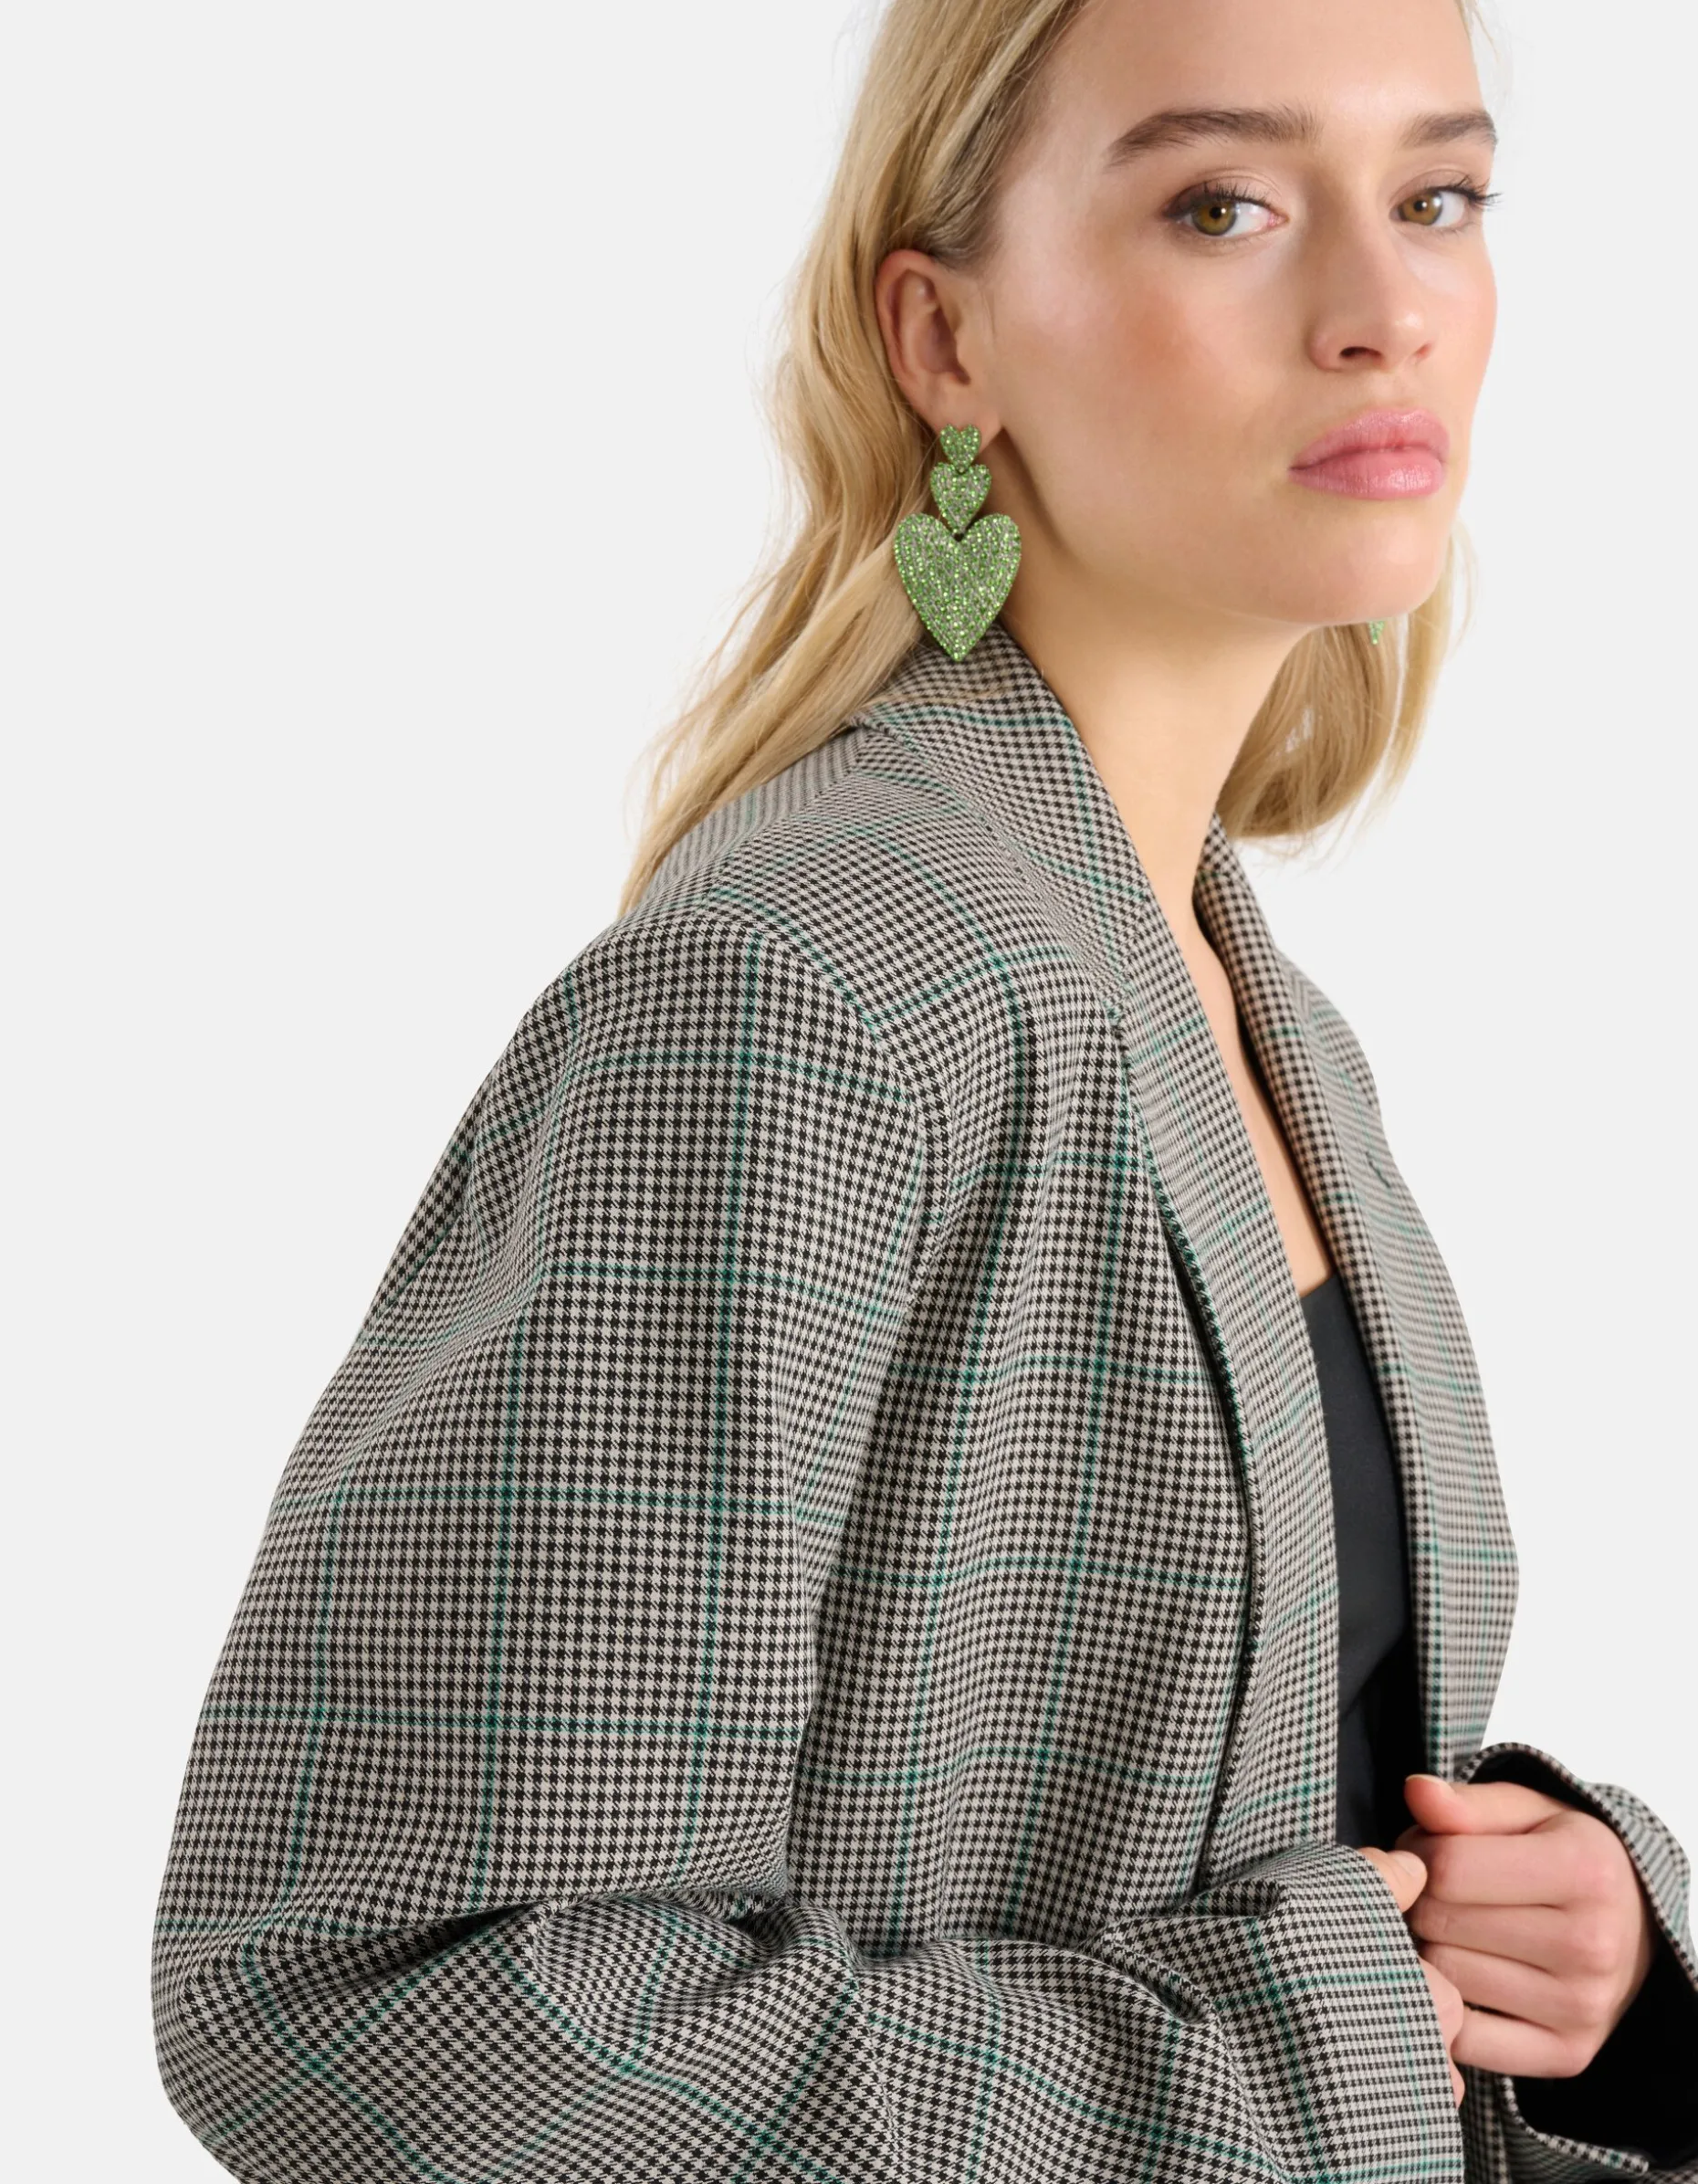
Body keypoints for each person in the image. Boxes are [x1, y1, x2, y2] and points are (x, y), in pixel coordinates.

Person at [151, 0, 1698, 2177]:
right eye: (1224, 206)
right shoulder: (808, 993)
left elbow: (1235, 1845)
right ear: (945, 339)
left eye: (1438, 195)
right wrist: (1289, 2053)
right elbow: (386, 1992)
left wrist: (1576, 1942)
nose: (1387, 309)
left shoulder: (1258, 1011)